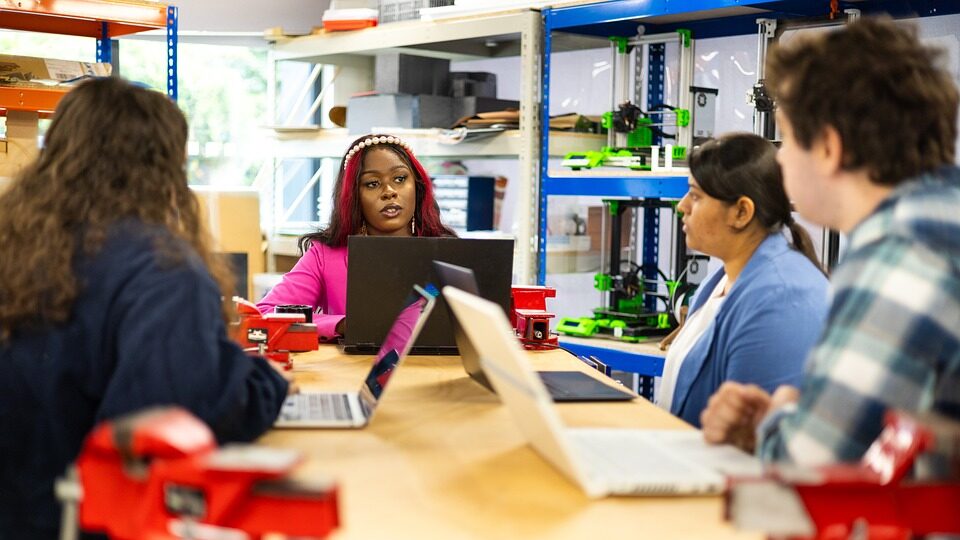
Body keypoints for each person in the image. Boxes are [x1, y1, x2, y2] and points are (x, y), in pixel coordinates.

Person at [0, 77, 293, 538]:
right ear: (165, 169)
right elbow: (169, 424)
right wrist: (267, 386)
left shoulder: (16, 247)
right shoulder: (163, 270)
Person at [700, 17, 960, 465]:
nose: (780, 158)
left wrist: (777, 420)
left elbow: (812, 462)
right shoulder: (939, 219)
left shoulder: (901, 254)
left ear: (827, 147)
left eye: (788, 137)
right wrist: (789, 419)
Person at [656, 133, 829, 426]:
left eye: (696, 196)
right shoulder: (722, 279)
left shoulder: (781, 302)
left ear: (741, 212)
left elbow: (751, 443)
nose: (681, 206)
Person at [257, 134, 456, 341]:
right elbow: (266, 313)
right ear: (354, 197)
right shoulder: (324, 255)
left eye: (399, 179)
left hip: (435, 370)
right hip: (351, 371)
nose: (389, 192)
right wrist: (342, 324)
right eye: (372, 183)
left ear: (417, 186)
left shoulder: (447, 253)